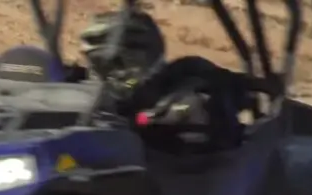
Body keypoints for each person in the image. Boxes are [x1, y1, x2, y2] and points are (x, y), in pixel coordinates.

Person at [80, 8, 246, 151]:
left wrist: (140, 121)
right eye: (99, 64)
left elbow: (152, 118)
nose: (114, 73)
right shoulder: (97, 91)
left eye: (119, 63)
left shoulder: (183, 94)